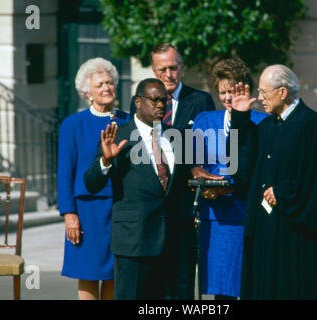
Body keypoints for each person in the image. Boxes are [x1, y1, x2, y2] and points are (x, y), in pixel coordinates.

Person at [230, 64, 317, 299]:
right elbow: (245, 166)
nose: (259, 98)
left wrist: (283, 193)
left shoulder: (312, 127)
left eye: (264, 92)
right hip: (269, 232)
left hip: (296, 238)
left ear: (282, 92)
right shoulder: (269, 125)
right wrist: (240, 118)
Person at [84, 78, 188, 299]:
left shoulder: (175, 136)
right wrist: (105, 161)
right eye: (155, 100)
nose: (161, 105)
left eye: (164, 100)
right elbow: (92, 184)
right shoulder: (118, 136)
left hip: (174, 243)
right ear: (138, 102)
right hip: (135, 242)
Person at [129, 43, 216, 299]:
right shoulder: (142, 102)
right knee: (152, 285)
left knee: (182, 281)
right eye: (162, 69)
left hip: (184, 208)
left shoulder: (200, 100)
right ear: (153, 70)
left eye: (173, 67)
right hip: (150, 212)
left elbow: (207, 147)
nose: (168, 74)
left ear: (182, 68)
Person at [190, 58, 268, 299]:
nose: (226, 98)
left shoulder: (261, 122)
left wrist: (232, 186)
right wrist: (197, 174)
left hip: (246, 212)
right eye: (222, 92)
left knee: (248, 284)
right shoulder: (205, 119)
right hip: (214, 216)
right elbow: (191, 160)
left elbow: (260, 168)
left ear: (243, 90)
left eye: (231, 92)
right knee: (221, 289)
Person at [57, 57, 129, 300]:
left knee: (114, 273)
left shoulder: (127, 121)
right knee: (88, 272)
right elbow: (65, 173)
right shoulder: (72, 124)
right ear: (87, 92)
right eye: (100, 85)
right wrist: (69, 214)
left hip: (120, 208)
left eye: (110, 83)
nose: (107, 88)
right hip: (87, 211)